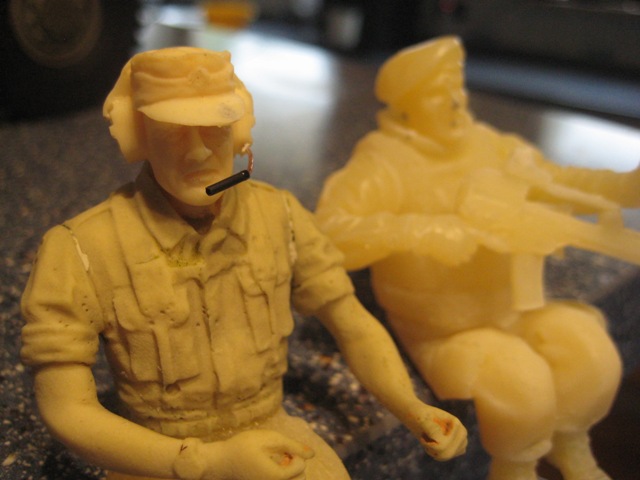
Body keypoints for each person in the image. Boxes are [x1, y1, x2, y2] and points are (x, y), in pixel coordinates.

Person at [20, 47, 467, 480]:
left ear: (239, 133)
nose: (198, 152)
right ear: (139, 136)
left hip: (273, 433)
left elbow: (352, 324)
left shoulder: (282, 217)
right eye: (173, 131)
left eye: (214, 128)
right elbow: (66, 408)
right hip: (155, 456)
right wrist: (204, 463)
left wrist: (413, 408)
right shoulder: (80, 249)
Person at [315, 37, 640, 480]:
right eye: (437, 92)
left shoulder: (489, 145)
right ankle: (515, 467)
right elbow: (330, 232)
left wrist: (624, 188)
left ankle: (572, 445)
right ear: (407, 105)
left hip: (512, 308)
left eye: (457, 86)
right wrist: (424, 231)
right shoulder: (384, 162)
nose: (454, 100)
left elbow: (555, 180)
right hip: (441, 326)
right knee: (520, 382)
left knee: (589, 353)